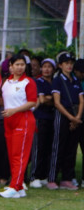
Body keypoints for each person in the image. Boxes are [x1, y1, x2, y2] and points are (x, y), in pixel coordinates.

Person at [0, 54, 37, 198]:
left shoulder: (28, 82)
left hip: (24, 119)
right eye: (17, 64)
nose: (20, 67)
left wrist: (14, 110)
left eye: (22, 64)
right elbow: (4, 101)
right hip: (9, 120)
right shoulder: (6, 83)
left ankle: (14, 185)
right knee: (12, 154)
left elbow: (32, 102)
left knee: (19, 155)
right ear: (11, 67)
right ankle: (18, 186)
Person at [49, 51, 82, 189]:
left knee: (71, 148)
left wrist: (77, 117)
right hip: (62, 114)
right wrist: (70, 117)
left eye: (70, 63)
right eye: (66, 63)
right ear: (60, 65)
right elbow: (57, 102)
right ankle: (52, 178)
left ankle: (67, 178)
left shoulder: (75, 80)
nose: (69, 66)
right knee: (58, 146)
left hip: (75, 114)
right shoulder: (57, 80)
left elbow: (81, 100)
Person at [28, 58, 56, 187]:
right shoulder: (37, 81)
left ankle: (44, 175)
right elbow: (43, 99)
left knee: (48, 148)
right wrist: (51, 98)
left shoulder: (55, 82)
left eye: (49, 67)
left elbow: (57, 99)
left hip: (52, 118)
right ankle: (35, 176)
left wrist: (50, 98)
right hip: (40, 117)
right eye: (44, 66)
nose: (46, 69)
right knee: (38, 147)